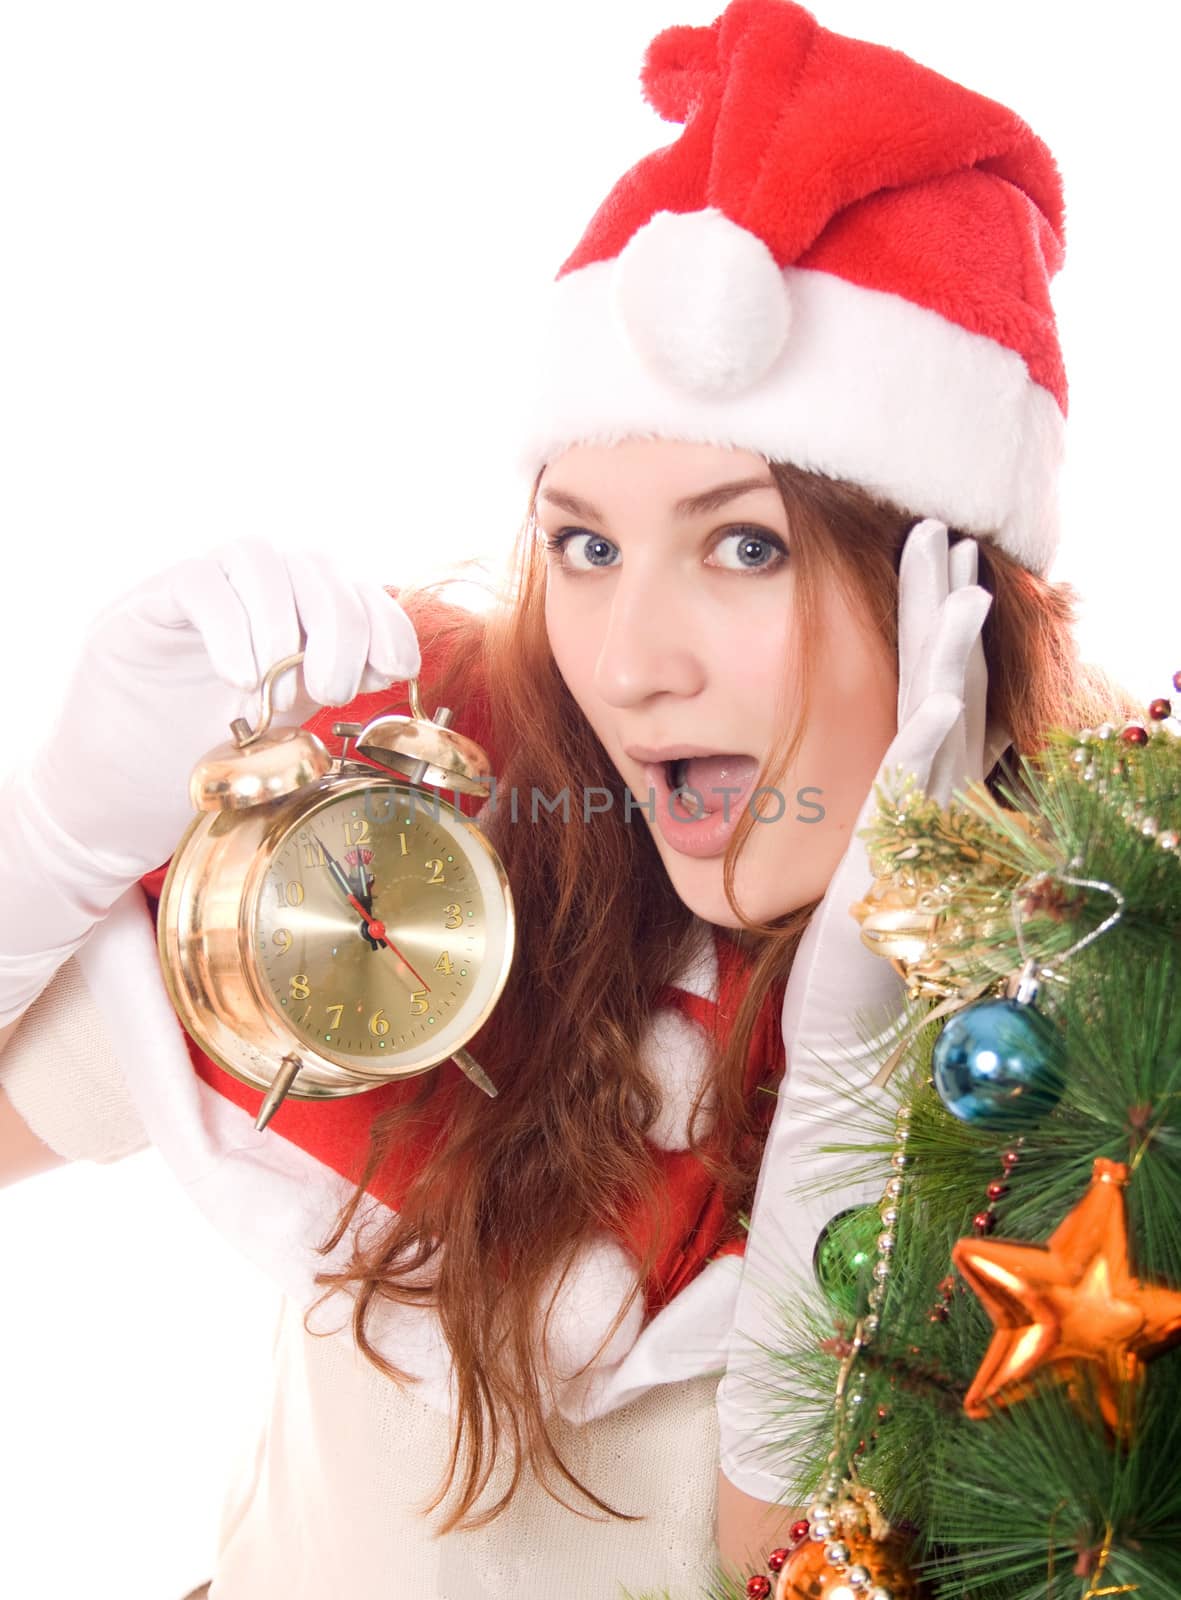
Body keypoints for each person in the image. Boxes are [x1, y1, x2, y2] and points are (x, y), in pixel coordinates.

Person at [0, 2, 1135, 1596]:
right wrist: (52, 837)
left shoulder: (1101, 1033)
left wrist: (860, 1091)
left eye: (745, 543)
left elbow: (814, 1563)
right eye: (584, 544)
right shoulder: (423, 848)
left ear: (942, 586)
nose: (630, 664)